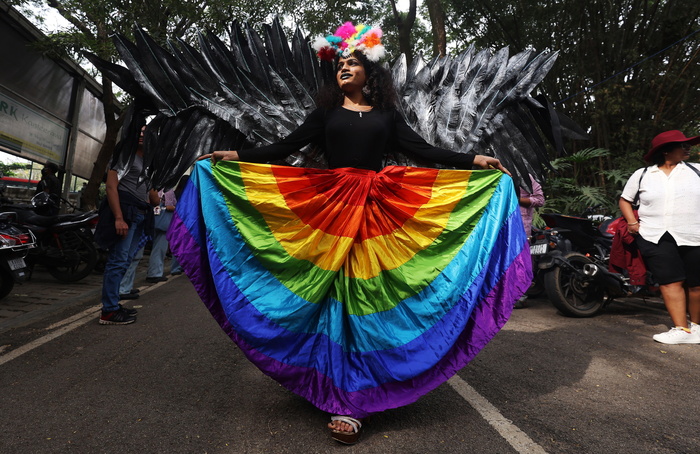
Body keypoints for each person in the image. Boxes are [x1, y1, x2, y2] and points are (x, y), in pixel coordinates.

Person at [179, 22, 528, 444]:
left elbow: (425, 152)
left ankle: (352, 401)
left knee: (365, 301)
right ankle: (331, 387)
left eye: (352, 64)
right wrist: (236, 155)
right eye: (340, 64)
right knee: (331, 303)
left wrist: (473, 159)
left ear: (370, 74)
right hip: (328, 211)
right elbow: (282, 148)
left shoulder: (386, 116)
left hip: (376, 214)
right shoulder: (325, 114)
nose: (344, 69)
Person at [619, 130, 700, 344]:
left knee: (697, 284)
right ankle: (681, 328)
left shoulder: (697, 171)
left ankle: (697, 328)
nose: (687, 148)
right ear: (665, 151)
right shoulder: (643, 174)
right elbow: (625, 200)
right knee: (670, 281)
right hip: (655, 235)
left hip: (694, 233)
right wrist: (632, 223)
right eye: (681, 145)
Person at [94, 127, 159, 325]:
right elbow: (112, 187)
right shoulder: (124, 156)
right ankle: (109, 311)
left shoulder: (148, 163)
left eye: (146, 133)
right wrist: (118, 218)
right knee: (117, 261)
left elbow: (154, 199)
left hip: (140, 215)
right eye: (138, 131)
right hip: (126, 214)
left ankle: (114, 305)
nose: (141, 135)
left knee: (125, 262)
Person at [515, 174, 545, 308]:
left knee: (520, 263)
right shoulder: (496, 174)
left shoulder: (526, 177)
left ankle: (520, 297)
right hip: (499, 226)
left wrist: (517, 199)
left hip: (521, 227)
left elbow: (540, 200)